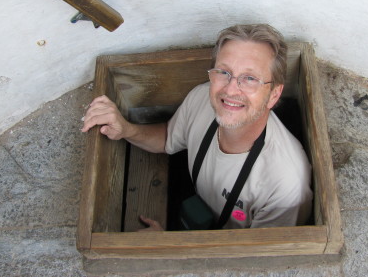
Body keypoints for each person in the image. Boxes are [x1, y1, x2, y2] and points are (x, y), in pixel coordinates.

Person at [81, 24, 312, 230]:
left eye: (250, 78)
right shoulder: (202, 98)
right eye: (224, 72)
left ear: (274, 94)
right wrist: (125, 129)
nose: (231, 90)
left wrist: (168, 251)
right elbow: (168, 137)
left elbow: (258, 261)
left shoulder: (286, 186)